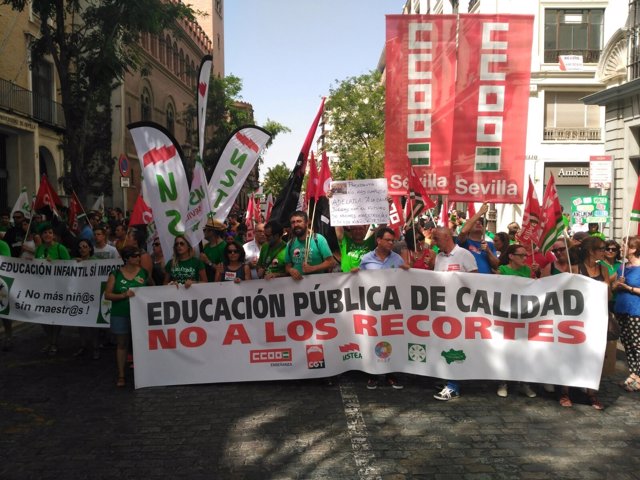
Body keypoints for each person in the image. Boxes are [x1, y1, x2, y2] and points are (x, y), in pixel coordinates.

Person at [357, 227, 409, 390]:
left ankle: (390, 375)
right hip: (372, 309)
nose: (391, 243)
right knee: (372, 339)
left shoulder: (398, 260)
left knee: (391, 339)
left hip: (391, 308)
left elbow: (404, 282)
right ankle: (372, 375)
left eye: (392, 240)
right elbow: (358, 282)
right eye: (388, 240)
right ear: (378, 240)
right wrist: (354, 274)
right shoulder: (366, 259)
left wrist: (408, 272)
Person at [431, 227, 478, 401]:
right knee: (445, 344)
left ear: (446, 237)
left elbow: (475, 280)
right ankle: (448, 379)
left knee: (455, 344)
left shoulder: (464, 255)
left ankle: (454, 386)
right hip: (443, 309)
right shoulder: (439, 256)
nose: (434, 242)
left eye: (436, 239)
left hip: (460, 310)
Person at [567, 236, 609, 410]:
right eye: (601, 248)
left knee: (595, 355)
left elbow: (608, 295)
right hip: (578, 320)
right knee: (572, 355)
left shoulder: (603, 269)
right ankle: (565, 391)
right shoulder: (576, 269)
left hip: (597, 318)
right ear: (592, 251)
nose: (605, 251)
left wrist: (608, 288)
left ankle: (592, 393)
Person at [495, 244, 537, 398]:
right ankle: (503, 382)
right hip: (506, 315)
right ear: (511, 256)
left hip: (523, 315)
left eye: (525, 255)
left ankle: (524, 383)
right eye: (521, 255)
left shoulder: (527, 270)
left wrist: (536, 275)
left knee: (524, 349)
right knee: (505, 349)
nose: (524, 258)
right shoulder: (503, 270)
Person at [104, 245, 149, 387]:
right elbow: (107, 294)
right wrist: (123, 295)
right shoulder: (115, 274)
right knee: (122, 344)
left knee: (141, 344)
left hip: (141, 314)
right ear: (127, 259)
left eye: (138, 255)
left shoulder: (144, 272)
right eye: (135, 256)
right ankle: (121, 375)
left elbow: (153, 288)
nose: (138, 258)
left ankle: (144, 373)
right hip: (121, 313)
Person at [34, 222, 71, 355]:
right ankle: (49, 340)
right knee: (43, 316)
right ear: (41, 235)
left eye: (50, 232)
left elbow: (69, 267)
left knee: (55, 315)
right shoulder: (39, 249)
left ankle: (54, 342)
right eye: (45, 233)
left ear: (53, 235)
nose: (47, 235)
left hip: (57, 288)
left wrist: (55, 265)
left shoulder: (60, 248)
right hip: (42, 289)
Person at [613, 236, 640, 392]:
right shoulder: (622, 267)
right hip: (621, 309)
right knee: (628, 344)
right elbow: (614, 287)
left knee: (638, 345)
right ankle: (632, 374)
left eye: (624, 245)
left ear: (633, 249)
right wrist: (617, 284)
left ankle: (639, 376)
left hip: (637, 311)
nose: (621, 248)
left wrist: (628, 288)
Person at [285, 211, 334, 280]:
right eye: (293, 222)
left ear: (307, 223)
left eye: (299, 221)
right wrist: (290, 270)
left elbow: (331, 262)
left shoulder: (319, 239)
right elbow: (287, 266)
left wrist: (313, 268)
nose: (296, 225)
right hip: (297, 286)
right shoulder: (290, 244)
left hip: (318, 284)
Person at [73, 239, 100, 360]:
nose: (82, 249)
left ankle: (96, 347)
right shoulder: (75, 262)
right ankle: (83, 345)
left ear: (90, 248)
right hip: (79, 296)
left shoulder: (96, 261)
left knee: (93, 324)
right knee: (81, 324)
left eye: (85, 246)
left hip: (93, 296)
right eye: (80, 247)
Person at [456, 203, 499, 274]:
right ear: (469, 228)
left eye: (481, 223)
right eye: (475, 222)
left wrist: (488, 251)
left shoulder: (489, 245)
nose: (479, 223)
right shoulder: (464, 242)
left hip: (485, 280)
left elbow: (496, 265)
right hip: (468, 280)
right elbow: (463, 232)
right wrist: (480, 212)